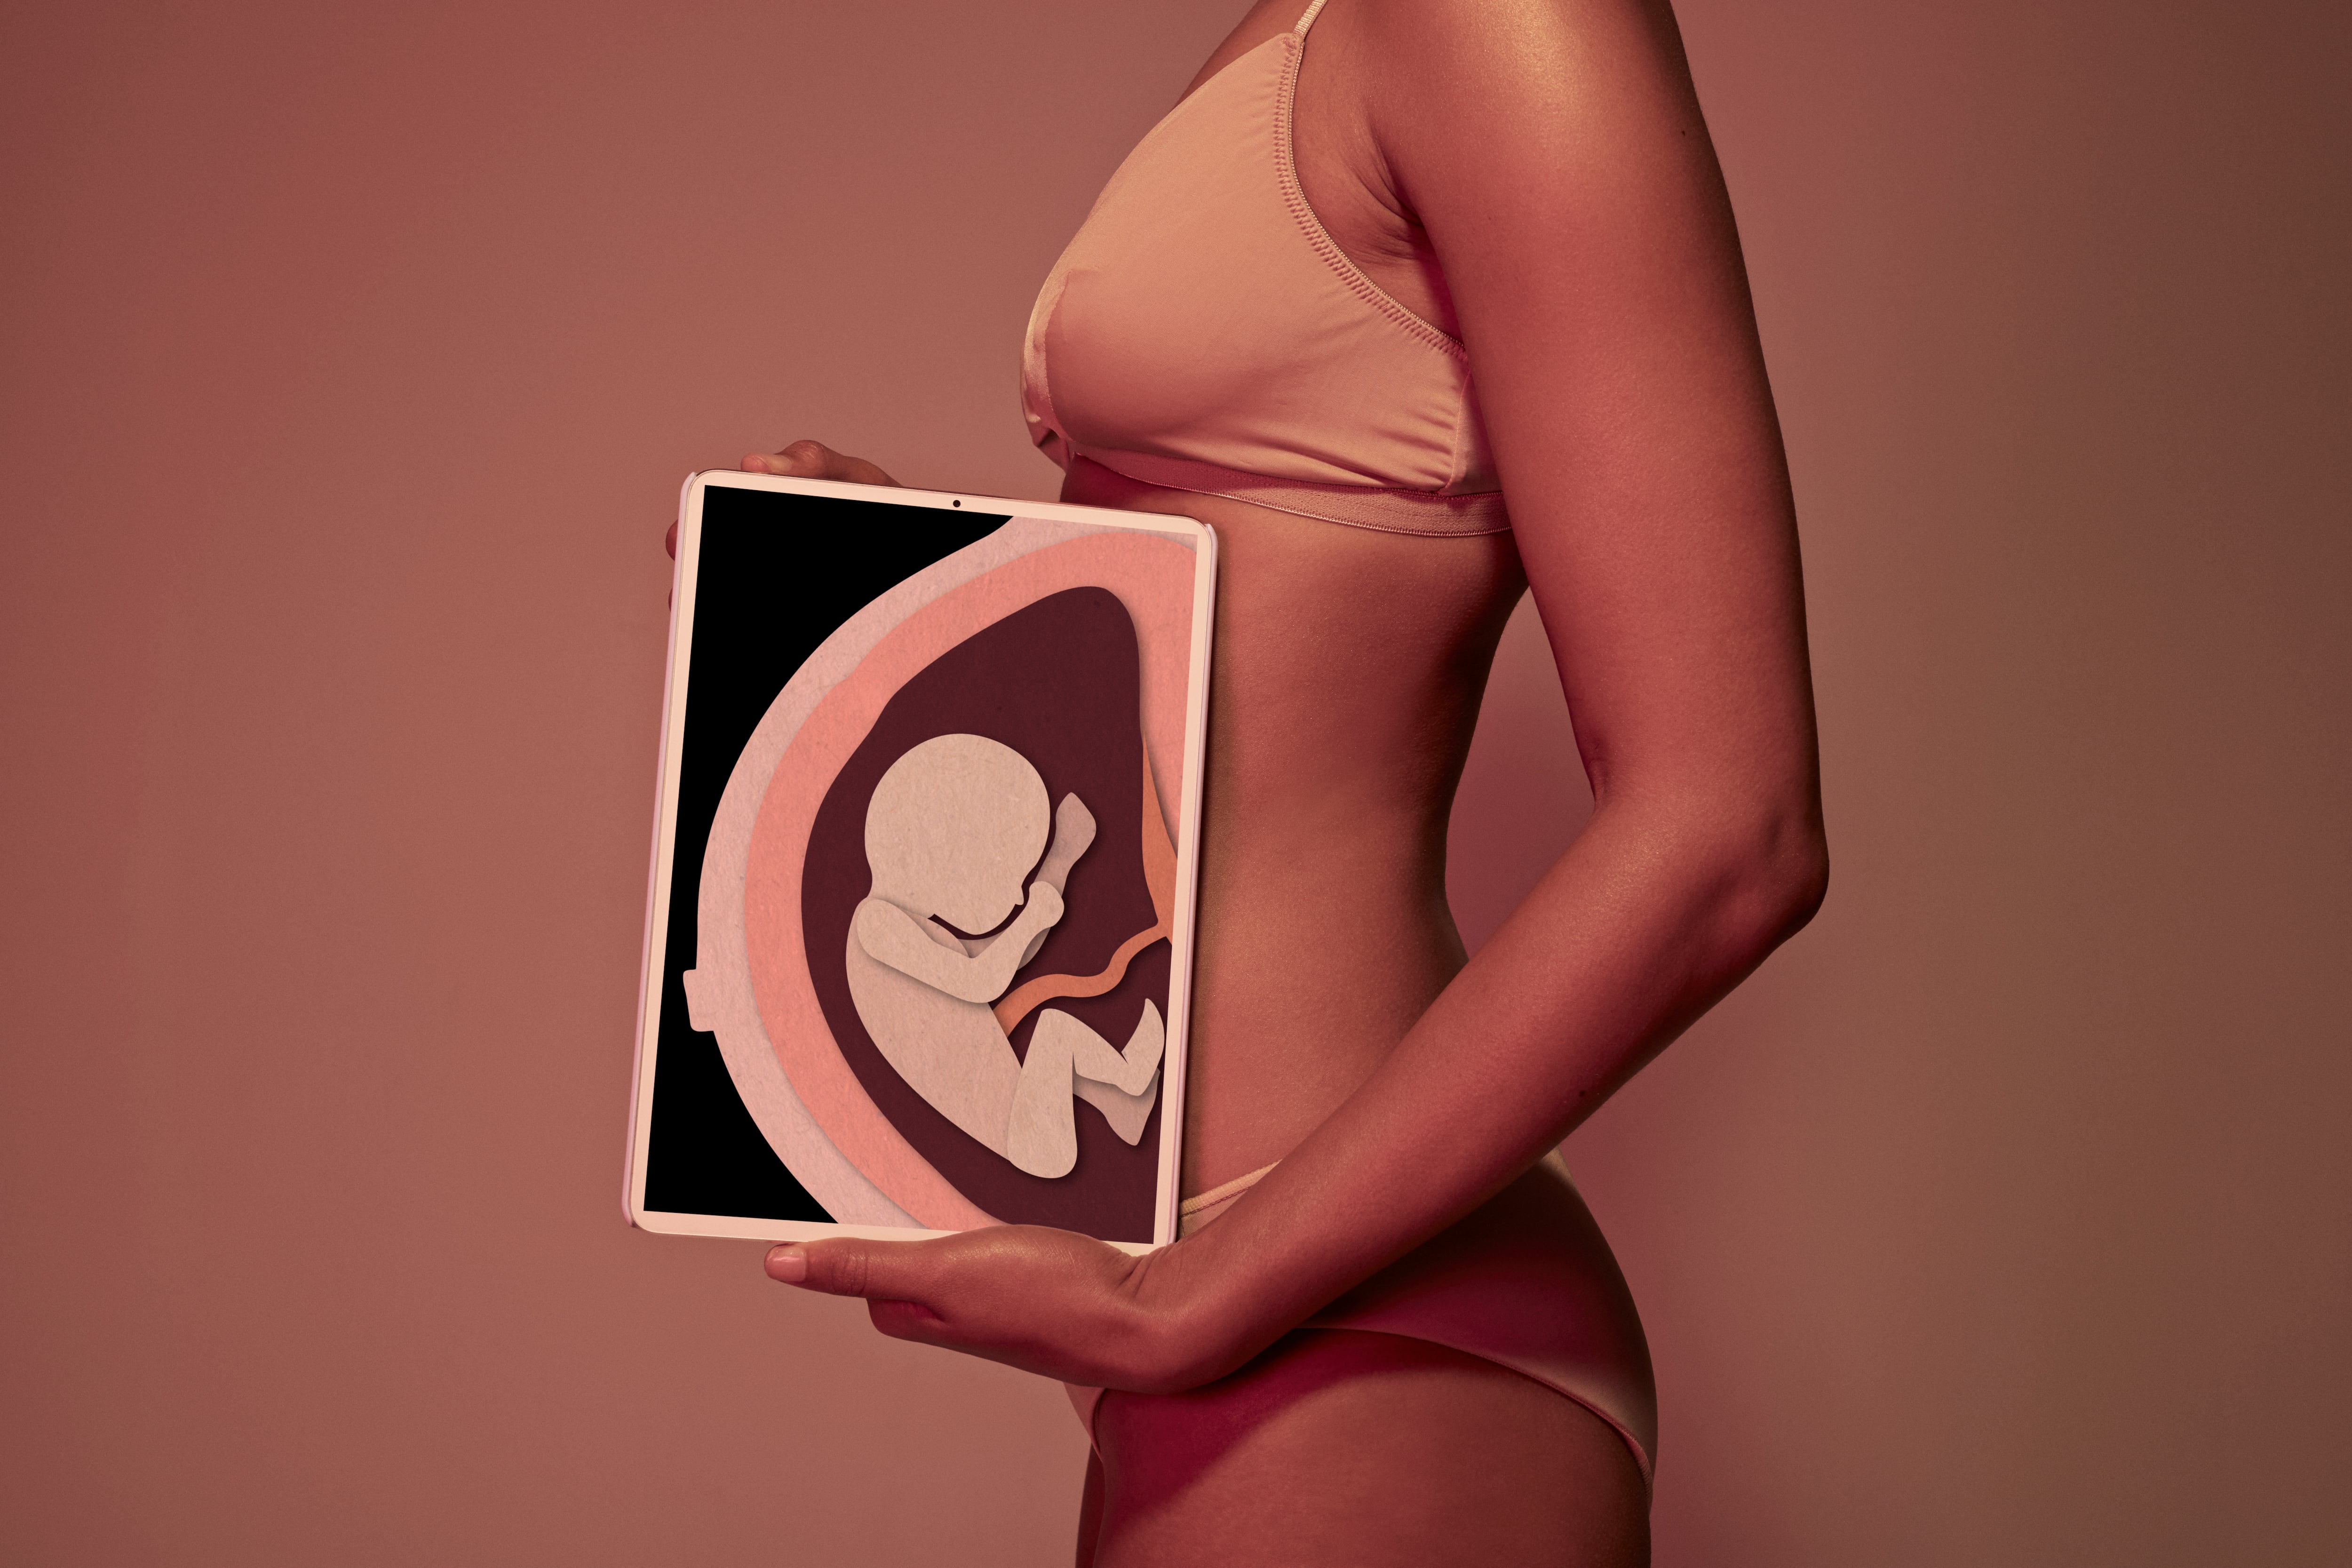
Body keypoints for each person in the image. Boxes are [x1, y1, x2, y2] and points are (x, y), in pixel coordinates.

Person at [728, 0, 1825, 1560]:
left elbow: (1732, 828)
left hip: (1339, 1301)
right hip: (1228, 1295)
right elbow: (1254, 619)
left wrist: (1181, 1301)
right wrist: (907, 587)